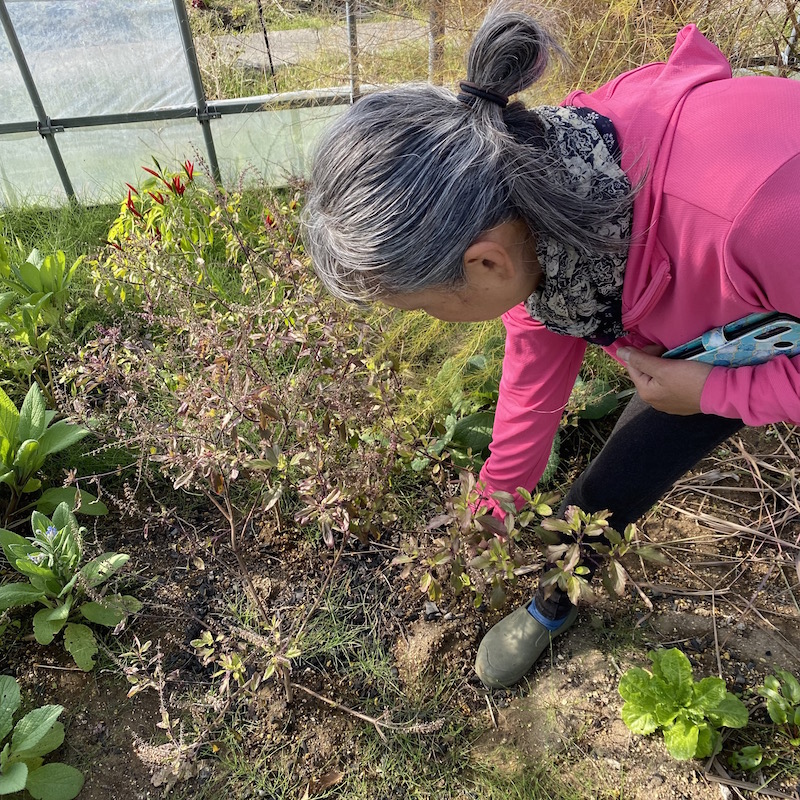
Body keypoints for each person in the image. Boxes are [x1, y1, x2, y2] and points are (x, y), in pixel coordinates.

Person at [301, 3, 800, 688]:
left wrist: (717, 391)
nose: (436, 324)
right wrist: (492, 510)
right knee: (613, 482)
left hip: (769, 269)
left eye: (424, 307)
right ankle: (552, 604)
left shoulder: (752, 213)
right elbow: (533, 372)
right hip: (739, 324)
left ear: (484, 265)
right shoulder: (541, 179)